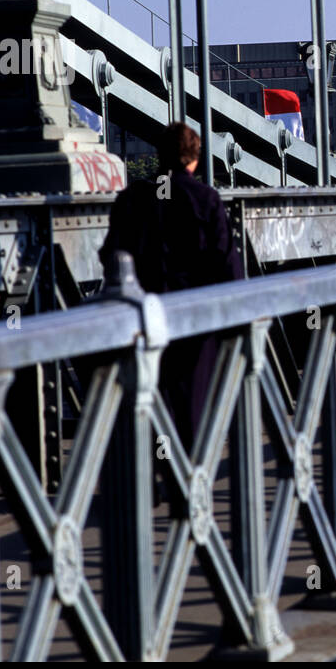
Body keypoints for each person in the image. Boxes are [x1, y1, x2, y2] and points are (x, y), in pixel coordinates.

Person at [99, 122, 244, 450]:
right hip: (193, 322)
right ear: (194, 160)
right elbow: (227, 265)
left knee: (145, 408)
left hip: (141, 322)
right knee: (191, 411)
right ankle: (186, 488)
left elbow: (110, 255)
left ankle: (147, 485)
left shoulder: (131, 200)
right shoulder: (205, 198)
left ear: (159, 156)